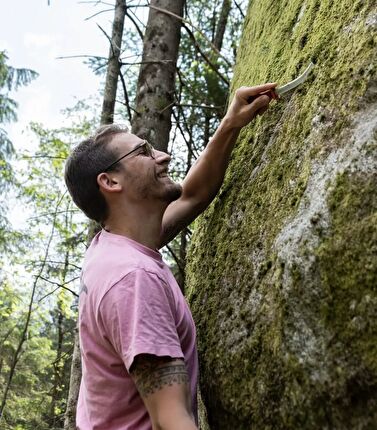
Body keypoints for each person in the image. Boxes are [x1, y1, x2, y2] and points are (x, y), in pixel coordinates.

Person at [64, 83, 277, 430]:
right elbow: (170, 418)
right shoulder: (132, 278)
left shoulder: (115, 245)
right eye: (144, 152)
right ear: (111, 182)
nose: (163, 155)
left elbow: (193, 195)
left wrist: (230, 124)